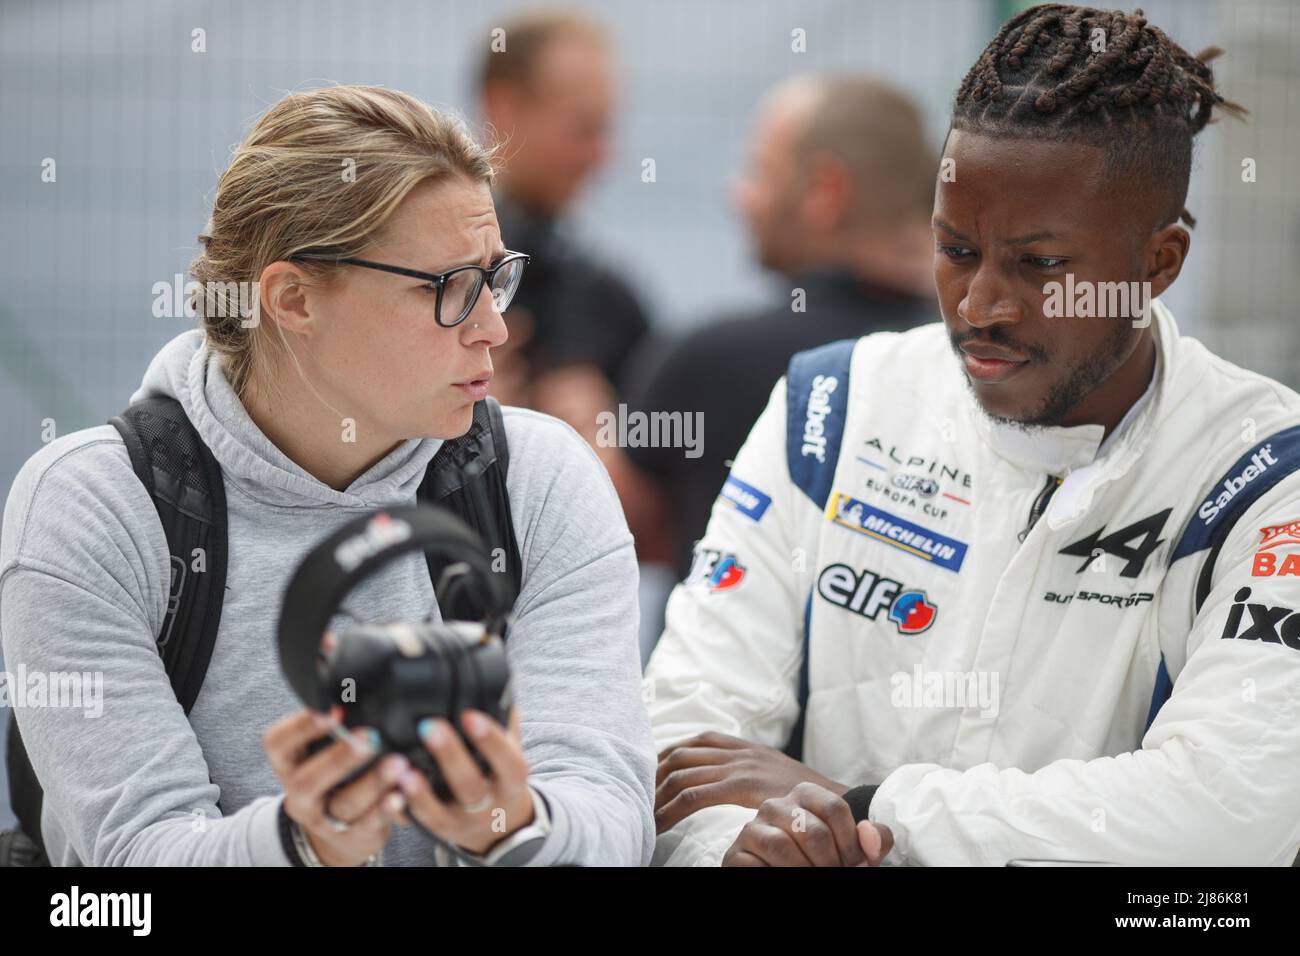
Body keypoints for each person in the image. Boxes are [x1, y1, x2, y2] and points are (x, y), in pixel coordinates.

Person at [645, 3, 1300, 866]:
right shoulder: (832, 406)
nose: (981, 306)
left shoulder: (1264, 472)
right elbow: (680, 744)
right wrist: (746, 848)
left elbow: (1234, 812)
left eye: (1041, 264)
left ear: (1158, 263)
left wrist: (873, 813)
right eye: (956, 250)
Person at [0, 85, 654, 866]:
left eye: (496, 276)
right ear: (292, 298)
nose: (495, 327)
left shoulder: (540, 479)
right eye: (447, 288)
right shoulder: (98, 504)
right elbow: (131, 866)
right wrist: (303, 842)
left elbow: (608, 810)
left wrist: (509, 824)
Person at [625, 73, 937, 578]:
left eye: (759, 171)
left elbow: (607, 530)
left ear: (825, 191)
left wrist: (567, 419)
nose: (738, 195)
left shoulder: (710, 361)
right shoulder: (975, 359)